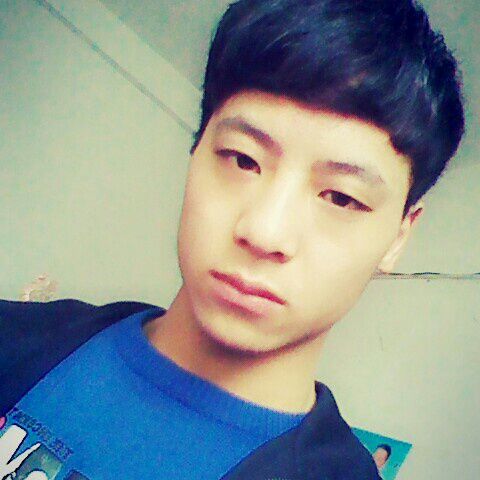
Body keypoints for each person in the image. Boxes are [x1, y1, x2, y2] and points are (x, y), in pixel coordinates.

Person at [0, 0, 465, 479]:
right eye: (244, 160)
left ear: (398, 237)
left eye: (342, 198)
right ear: (197, 150)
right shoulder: (16, 335)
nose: (265, 231)